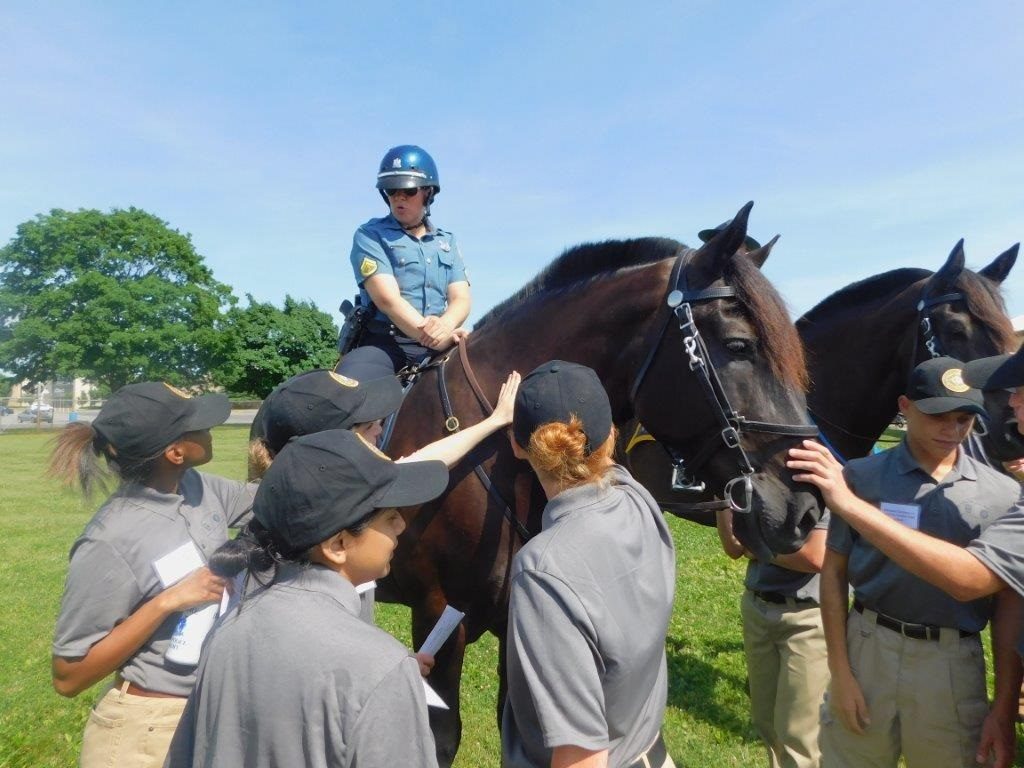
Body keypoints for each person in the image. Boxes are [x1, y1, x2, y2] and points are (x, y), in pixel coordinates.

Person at [787, 357, 1023, 768]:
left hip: (948, 663)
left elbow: (1007, 607)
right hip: (869, 648)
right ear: (905, 406)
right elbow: (834, 571)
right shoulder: (863, 475)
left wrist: (1002, 707)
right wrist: (841, 673)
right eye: (939, 417)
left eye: (965, 418)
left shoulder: (1001, 494)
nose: (952, 431)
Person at [165, 430, 447, 767]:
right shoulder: (381, 668)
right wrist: (386, 681)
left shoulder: (230, 628)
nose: (401, 525)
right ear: (338, 545)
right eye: (389, 517)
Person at [49, 382, 255, 768]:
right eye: (200, 427)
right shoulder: (109, 540)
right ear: (174, 452)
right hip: (145, 731)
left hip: (202, 713)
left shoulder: (195, 487)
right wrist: (168, 601)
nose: (210, 432)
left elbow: (265, 502)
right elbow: (68, 676)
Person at [502, 360, 677, 768]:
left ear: (516, 445)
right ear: (612, 434)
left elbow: (581, 756)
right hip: (650, 750)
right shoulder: (638, 500)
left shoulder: (542, 571)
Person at [716, 509, 829, 768]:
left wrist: (756, 547)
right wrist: (721, 498)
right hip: (758, 607)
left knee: (799, 735)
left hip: (806, 618)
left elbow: (815, 555)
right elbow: (733, 546)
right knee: (766, 722)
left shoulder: (820, 481)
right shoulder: (756, 483)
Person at [345, 144, 470, 373]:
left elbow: (461, 298)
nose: (398, 197)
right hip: (384, 346)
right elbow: (387, 300)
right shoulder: (370, 235)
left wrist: (445, 326)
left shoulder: (447, 241)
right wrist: (432, 335)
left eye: (409, 191)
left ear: (428, 192)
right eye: (392, 191)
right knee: (347, 393)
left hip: (440, 342)